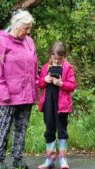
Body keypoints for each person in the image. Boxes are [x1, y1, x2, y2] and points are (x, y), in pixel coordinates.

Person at [0, 9, 37, 169]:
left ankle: (18, 159)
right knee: (3, 128)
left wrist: (35, 87)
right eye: (26, 28)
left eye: (30, 28)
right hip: (8, 96)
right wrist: (4, 94)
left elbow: (33, 67)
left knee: (21, 128)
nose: (29, 31)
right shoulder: (1, 43)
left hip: (27, 94)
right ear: (17, 26)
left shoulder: (29, 42)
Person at [37, 41, 77, 169]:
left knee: (62, 130)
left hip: (62, 105)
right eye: (54, 58)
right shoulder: (45, 67)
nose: (57, 61)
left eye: (59, 59)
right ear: (51, 56)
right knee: (49, 130)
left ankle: (63, 159)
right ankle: (50, 159)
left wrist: (61, 83)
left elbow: (72, 85)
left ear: (64, 57)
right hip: (48, 103)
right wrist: (45, 80)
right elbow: (40, 84)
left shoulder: (68, 68)